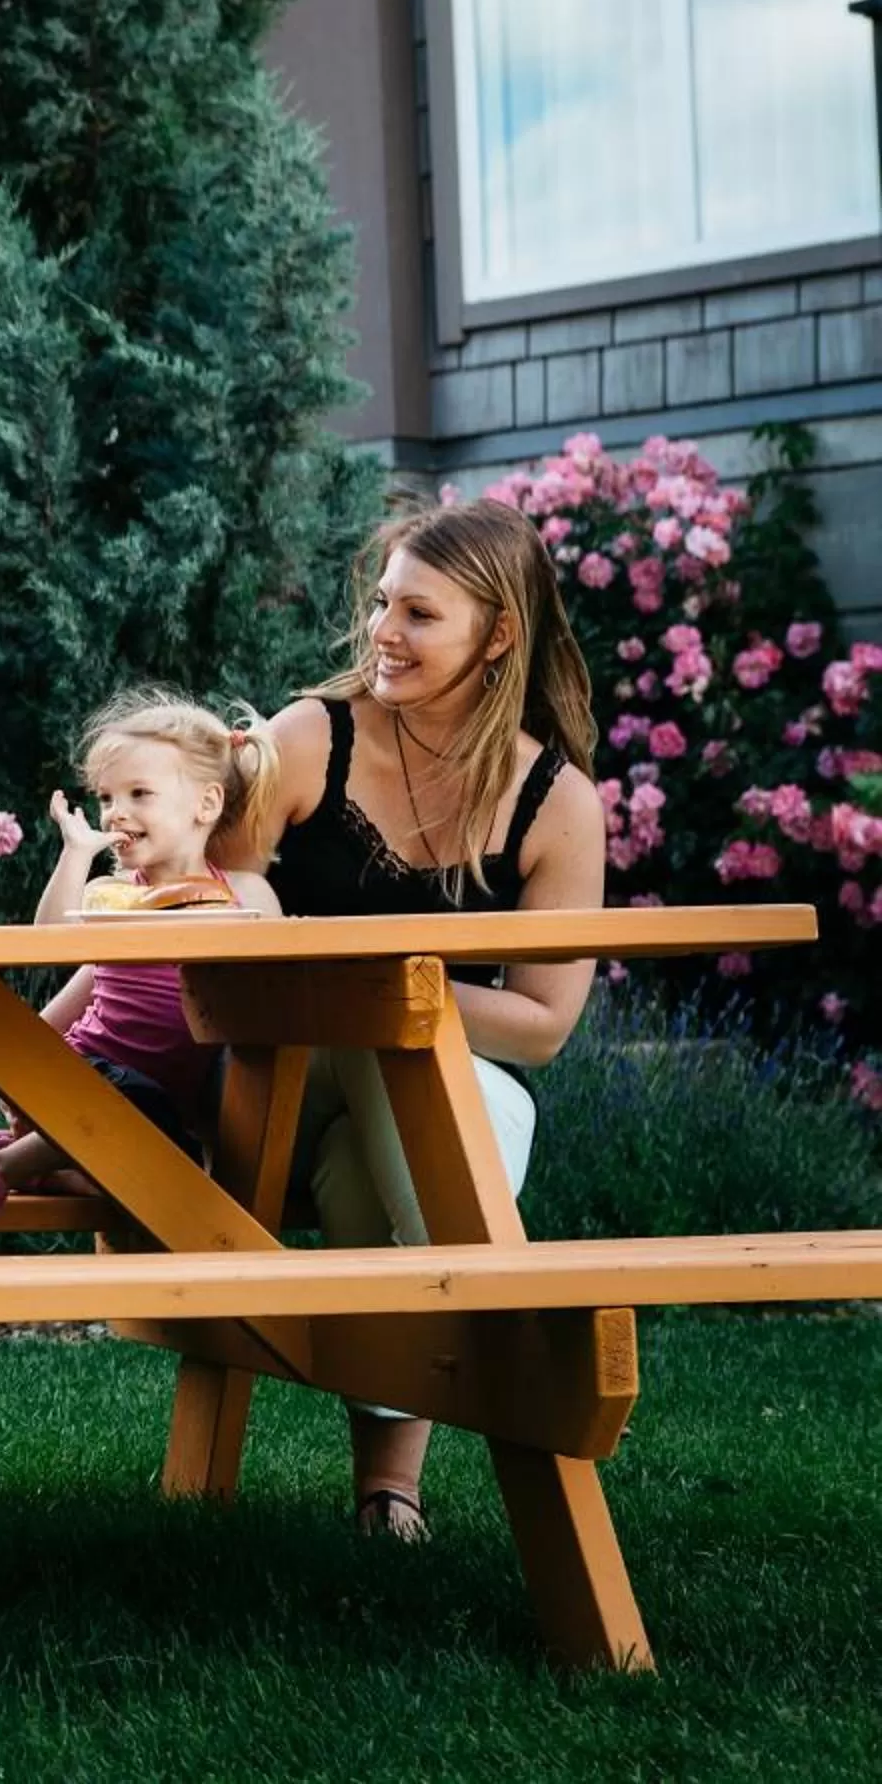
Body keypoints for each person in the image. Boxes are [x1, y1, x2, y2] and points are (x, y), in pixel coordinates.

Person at [224, 497, 603, 1542]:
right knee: (403, 1077)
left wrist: (390, 979)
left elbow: (541, 1025)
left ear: (500, 634)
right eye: (383, 603)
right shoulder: (309, 739)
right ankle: (513, 1359)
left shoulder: (558, 802)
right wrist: (300, 944)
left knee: (373, 1163)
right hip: (278, 1081)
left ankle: (388, 1493)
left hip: (418, 1082)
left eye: (420, 614)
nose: (383, 631)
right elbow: (224, 892)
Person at [0, 688, 284, 1246]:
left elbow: (274, 983)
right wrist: (76, 852)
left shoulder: (245, 895)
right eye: (105, 797)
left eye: (139, 793)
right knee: (134, 1105)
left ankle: (42, 1162)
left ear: (206, 804)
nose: (115, 812)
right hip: (85, 1078)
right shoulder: (113, 896)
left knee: (167, 1159)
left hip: (165, 1110)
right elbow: (49, 943)